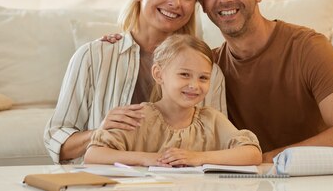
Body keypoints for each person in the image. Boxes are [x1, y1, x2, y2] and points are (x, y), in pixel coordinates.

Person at [44, 0, 227, 164]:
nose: (175, 2)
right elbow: (58, 143)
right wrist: (99, 132)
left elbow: (219, 145)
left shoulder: (209, 72)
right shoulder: (93, 57)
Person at [201, 0, 333, 162]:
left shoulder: (308, 48)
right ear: (203, 5)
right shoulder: (209, 70)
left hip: (311, 180)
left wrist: (266, 160)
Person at [84, 34, 261, 167]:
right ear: (158, 74)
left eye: (203, 78)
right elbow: (93, 154)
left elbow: (253, 153)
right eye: (184, 74)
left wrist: (198, 158)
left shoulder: (211, 120)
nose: (194, 85)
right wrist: (147, 159)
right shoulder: (138, 117)